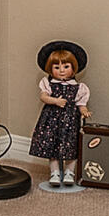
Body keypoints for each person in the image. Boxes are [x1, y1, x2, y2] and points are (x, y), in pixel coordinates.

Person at [30, 41, 92, 192]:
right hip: (51, 120)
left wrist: (84, 111)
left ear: (73, 68)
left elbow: (81, 103)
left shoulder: (79, 88)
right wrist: (55, 101)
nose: (62, 71)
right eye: (56, 67)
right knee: (53, 148)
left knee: (71, 147)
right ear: (50, 69)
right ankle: (55, 173)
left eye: (66, 67)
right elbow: (43, 97)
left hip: (70, 122)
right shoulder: (48, 83)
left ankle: (70, 172)